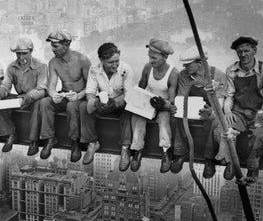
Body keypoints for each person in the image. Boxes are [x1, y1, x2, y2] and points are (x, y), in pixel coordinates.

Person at [221, 36, 263, 183]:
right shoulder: (231, 70)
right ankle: (230, 163)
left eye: (246, 51)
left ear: (254, 51)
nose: (243, 55)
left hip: (260, 112)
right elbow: (229, 95)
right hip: (239, 111)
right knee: (227, 129)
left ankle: (252, 167)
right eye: (239, 52)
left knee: (259, 135)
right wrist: (227, 111)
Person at [37, 30, 91, 162]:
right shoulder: (53, 63)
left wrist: (79, 96)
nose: (52, 49)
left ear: (66, 45)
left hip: (80, 96)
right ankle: (49, 139)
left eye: (56, 46)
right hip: (65, 94)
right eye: (52, 46)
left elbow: (91, 86)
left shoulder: (82, 60)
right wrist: (54, 95)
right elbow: (51, 86)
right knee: (45, 103)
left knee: (72, 107)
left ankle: (75, 142)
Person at [170, 50, 227, 176]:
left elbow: (220, 104)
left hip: (210, 110)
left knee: (214, 121)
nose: (184, 67)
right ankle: (180, 153)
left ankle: (208, 158)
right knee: (177, 117)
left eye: (188, 64)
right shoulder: (184, 75)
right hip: (190, 108)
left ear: (200, 62)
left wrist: (211, 112)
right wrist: (177, 108)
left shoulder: (218, 75)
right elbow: (181, 97)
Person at [128, 38, 178, 173]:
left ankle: (166, 151)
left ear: (165, 57)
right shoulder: (148, 67)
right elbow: (141, 88)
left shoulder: (173, 73)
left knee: (164, 120)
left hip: (163, 105)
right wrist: (137, 102)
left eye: (154, 58)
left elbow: (172, 100)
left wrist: (163, 104)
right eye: (149, 57)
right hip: (149, 101)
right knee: (138, 116)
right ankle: (137, 149)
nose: (151, 60)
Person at [81, 42, 134, 167]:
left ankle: (125, 148)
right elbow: (90, 92)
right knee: (84, 107)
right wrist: (96, 102)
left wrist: (116, 103)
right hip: (103, 101)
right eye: (111, 62)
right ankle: (92, 143)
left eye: (117, 61)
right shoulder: (94, 69)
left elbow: (129, 94)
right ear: (101, 60)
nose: (115, 65)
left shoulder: (126, 69)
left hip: (120, 103)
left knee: (128, 110)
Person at [0, 37, 48, 155]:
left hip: (35, 97)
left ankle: (33, 140)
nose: (21, 57)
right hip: (20, 98)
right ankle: (11, 132)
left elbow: (42, 89)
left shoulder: (41, 66)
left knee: (37, 105)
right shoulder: (12, 67)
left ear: (31, 51)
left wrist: (28, 97)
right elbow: (6, 85)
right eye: (18, 54)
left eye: (24, 53)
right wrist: (0, 93)